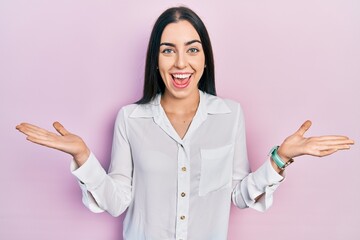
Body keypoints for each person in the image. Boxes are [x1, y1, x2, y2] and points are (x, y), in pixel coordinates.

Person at [16, 6, 354, 240]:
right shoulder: (130, 119)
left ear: (205, 58)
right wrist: (82, 157)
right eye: (168, 50)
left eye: (192, 50)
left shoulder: (230, 115)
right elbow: (118, 201)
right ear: (156, 60)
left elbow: (237, 195)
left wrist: (280, 158)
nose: (181, 63)